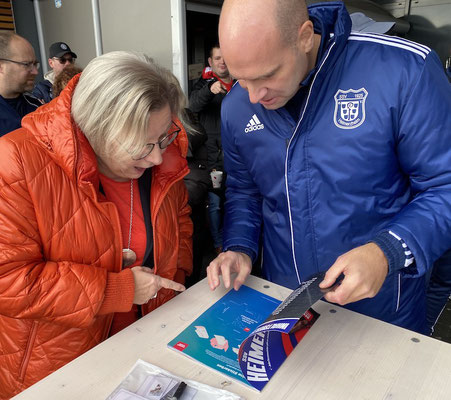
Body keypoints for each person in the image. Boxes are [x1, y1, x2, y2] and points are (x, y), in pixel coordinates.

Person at [207, 0, 451, 334]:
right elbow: (245, 192)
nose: (253, 96)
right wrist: (238, 246)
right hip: (286, 304)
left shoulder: (404, 71)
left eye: (267, 75)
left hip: (383, 308)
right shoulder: (237, 106)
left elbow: (444, 186)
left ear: (305, 37)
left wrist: (387, 251)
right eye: (240, 79)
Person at [0, 51, 192, 398]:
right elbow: (8, 280)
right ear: (95, 128)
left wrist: (173, 284)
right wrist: (115, 290)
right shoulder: (15, 161)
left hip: (149, 347)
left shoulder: (160, 158)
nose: (157, 157)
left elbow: (179, 223)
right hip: (58, 366)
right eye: (141, 145)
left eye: (163, 137)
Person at [189, 45, 235, 254]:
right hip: (211, 155)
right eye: (217, 59)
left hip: (235, 153)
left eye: (225, 58)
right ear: (210, 62)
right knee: (214, 204)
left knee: (235, 200)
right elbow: (194, 105)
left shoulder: (241, 83)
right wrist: (210, 90)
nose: (222, 62)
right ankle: (218, 245)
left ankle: (235, 241)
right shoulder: (203, 84)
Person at [0, 31, 40, 137]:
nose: (35, 72)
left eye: (35, 64)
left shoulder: (37, 108)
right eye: (26, 64)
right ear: (1, 67)